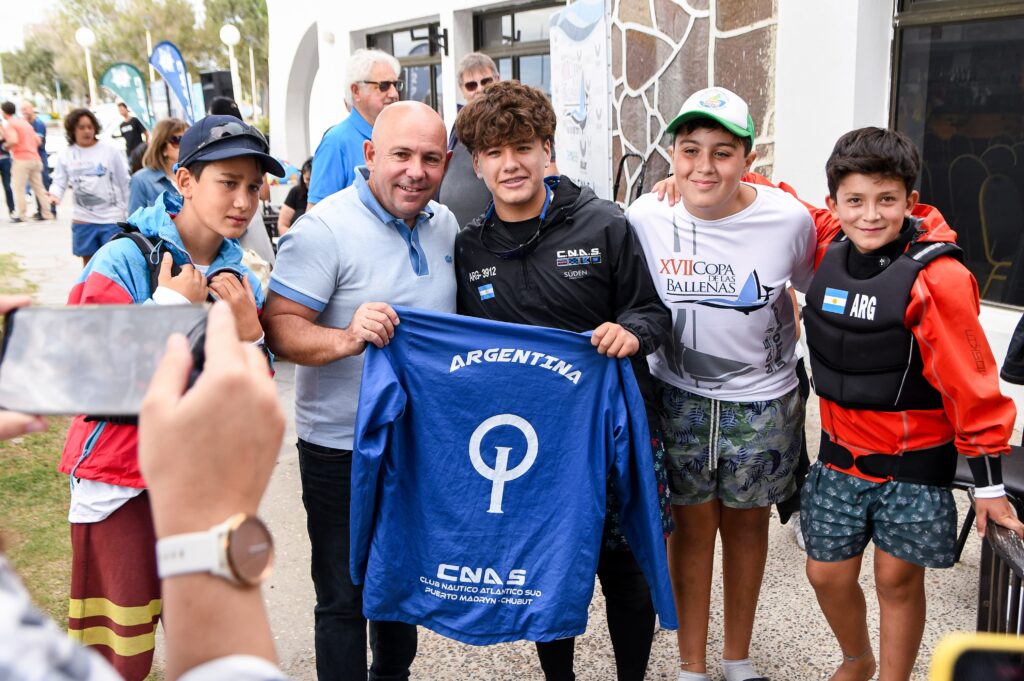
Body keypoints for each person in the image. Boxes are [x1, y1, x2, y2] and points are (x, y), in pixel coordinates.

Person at [452, 79, 672, 681]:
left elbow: (653, 313)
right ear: (477, 164)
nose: (511, 164)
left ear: (547, 150)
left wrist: (631, 333)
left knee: (627, 575)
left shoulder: (604, 224)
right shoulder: (470, 248)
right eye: (494, 152)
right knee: (545, 574)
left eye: (523, 147)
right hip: (531, 445)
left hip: (611, 436)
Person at [57, 114, 283, 681]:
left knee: (207, 644)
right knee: (118, 654)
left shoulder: (242, 278)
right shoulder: (122, 258)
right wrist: (167, 307)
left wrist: (252, 336)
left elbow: (251, 397)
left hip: (205, 487)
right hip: (121, 483)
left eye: (253, 186)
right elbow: (87, 378)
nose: (244, 201)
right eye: (227, 183)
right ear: (184, 180)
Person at [791, 128, 1022, 681]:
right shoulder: (828, 240)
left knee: (895, 580)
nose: (870, 215)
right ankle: (858, 659)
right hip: (839, 461)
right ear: (834, 204)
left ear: (910, 201)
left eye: (887, 199)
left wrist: (990, 487)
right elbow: (771, 193)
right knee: (825, 575)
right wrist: (693, 180)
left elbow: (972, 386)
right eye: (855, 200)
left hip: (911, 468)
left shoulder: (938, 278)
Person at [262, 100, 455, 681]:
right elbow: (279, 328)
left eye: (430, 159)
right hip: (339, 448)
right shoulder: (323, 229)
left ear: (446, 163)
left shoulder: (444, 224)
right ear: (370, 154)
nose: (415, 171)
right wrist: (348, 337)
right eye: (401, 155)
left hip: (416, 446)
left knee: (400, 584)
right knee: (343, 597)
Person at [628, 86, 816, 681]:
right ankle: (691, 664)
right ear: (672, 155)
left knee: (747, 525)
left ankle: (737, 657)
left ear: (748, 159)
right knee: (688, 530)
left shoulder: (788, 219)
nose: (704, 167)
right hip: (677, 396)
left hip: (763, 402)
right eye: (690, 151)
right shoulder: (646, 216)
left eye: (722, 153)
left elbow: (810, 285)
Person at [0, 295, 290, 680]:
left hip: (152, 479)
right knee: (121, 637)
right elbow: (100, 337)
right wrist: (213, 527)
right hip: (116, 485)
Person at [306, 48, 402, 208]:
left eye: (396, 84)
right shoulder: (335, 142)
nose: (394, 93)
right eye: (384, 86)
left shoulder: (399, 135)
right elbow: (316, 211)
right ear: (356, 91)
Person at [47, 109, 131, 266]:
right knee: (89, 264)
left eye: (90, 127)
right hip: (83, 219)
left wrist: (128, 211)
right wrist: (54, 195)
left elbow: (124, 182)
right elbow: (59, 181)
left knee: (113, 262)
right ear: (72, 130)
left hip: (111, 219)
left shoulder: (110, 152)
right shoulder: (66, 154)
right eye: (81, 127)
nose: (87, 131)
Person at [437, 52, 501, 227]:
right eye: (471, 85)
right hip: (454, 232)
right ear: (462, 90)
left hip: (494, 233)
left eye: (486, 81)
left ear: (497, 79)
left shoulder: (512, 123)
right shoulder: (459, 124)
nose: (479, 89)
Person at [0, 101, 52, 223]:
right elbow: (38, 141)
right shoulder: (24, 123)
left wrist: (5, 146)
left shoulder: (11, 124)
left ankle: (21, 215)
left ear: (4, 112)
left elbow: (13, 140)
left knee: (18, 188)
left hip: (21, 159)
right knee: (39, 188)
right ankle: (47, 213)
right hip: (35, 158)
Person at [128, 117, 186, 214]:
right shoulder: (140, 180)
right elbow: (134, 220)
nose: (184, 145)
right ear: (162, 147)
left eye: (187, 139)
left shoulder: (193, 174)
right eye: (177, 140)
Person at [20, 100, 51, 219]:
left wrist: (27, 129)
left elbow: (38, 142)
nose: (24, 112)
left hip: (40, 157)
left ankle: (50, 210)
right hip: (31, 157)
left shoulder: (38, 123)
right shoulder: (27, 123)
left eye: (26, 109)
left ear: (32, 109)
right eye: (22, 110)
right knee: (36, 185)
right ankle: (40, 210)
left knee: (44, 184)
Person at [277, 156, 312, 235]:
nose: (311, 184)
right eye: (308, 179)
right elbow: (282, 225)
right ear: (303, 176)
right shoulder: (295, 192)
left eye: (313, 179)